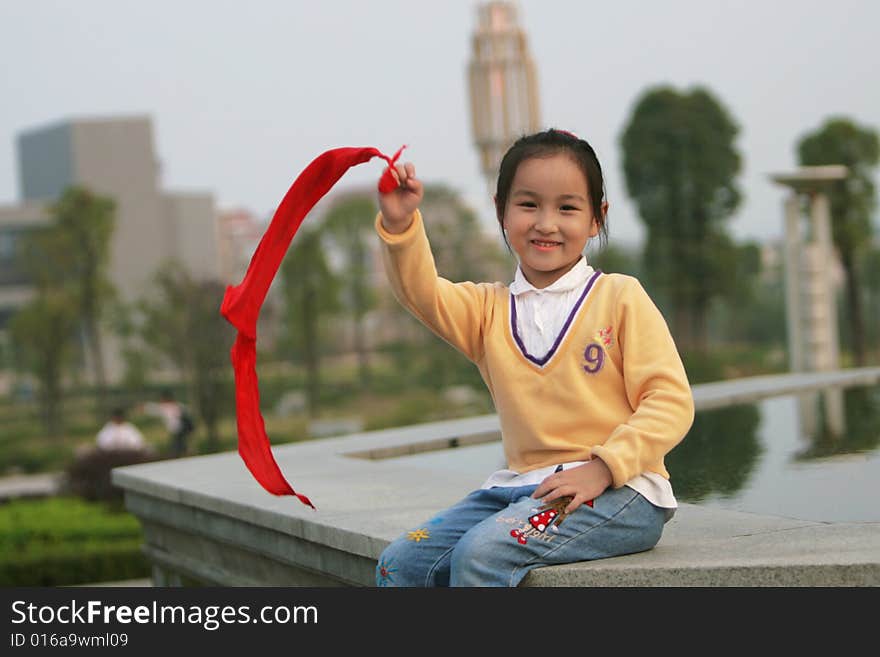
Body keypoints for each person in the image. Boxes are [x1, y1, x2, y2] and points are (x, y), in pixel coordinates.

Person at [373, 129, 695, 587]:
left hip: (621, 491)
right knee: (399, 563)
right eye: (528, 205)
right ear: (501, 210)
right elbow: (422, 294)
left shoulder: (620, 297)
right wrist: (401, 226)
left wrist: (603, 467)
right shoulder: (487, 310)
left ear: (596, 218)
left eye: (567, 207)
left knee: (481, 554)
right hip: (517, 492)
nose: (546, 223)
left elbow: (670, 401)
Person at [140, 390, 194, 457]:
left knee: (177, 449)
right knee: (182, 447)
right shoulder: (179, 405)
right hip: (185, 430)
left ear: (165, 399)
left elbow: (153, 408)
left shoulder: (166, 408)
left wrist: (143, 407)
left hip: (178, 431)